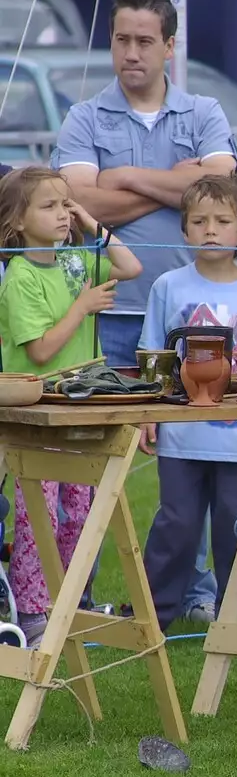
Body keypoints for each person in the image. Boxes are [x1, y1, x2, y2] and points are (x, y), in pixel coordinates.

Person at [52, 0, 237, 619]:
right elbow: (80, 209)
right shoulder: (84, 117)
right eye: (120, 40)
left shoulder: (205, 112)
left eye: (143, 41)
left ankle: (195, 593)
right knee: (87, 464)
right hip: (104, 313)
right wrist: (179, 186)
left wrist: (122, 178)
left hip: (195, 321)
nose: (130, 53)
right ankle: (80, 594)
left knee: (196, 457)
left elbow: (223, 193)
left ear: (169, 47)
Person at [138, 175, 237, 628]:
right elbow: (152, 356)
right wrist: (149, 414)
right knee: (177, 526)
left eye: (223, 221)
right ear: (184, 230)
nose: (210, 229)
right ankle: (153, 615)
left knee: (235, 527)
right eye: (199, 221)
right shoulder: (167, 286)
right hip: (182, 436)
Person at [0, 168, 141, 646]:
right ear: (16, 221)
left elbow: (130, 266)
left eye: (66, 205)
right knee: (38, 515)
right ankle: (36, 612)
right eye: (50, 206)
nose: (62, 215)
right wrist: (81, 308)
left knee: (82, 513)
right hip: (40, 415)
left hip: (79, 407)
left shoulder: (76, 260)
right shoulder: (19, 276)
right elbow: (39, 351)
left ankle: (70, 602)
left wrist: (91, 220)